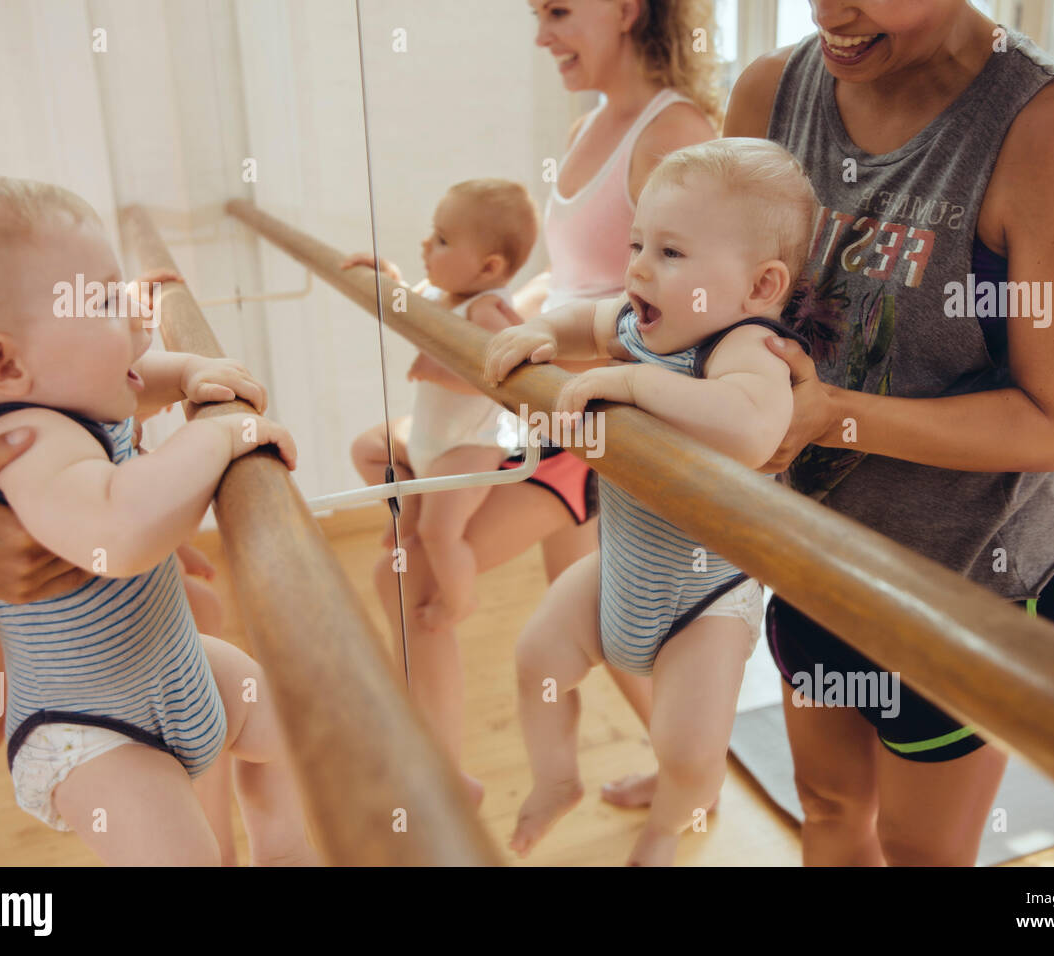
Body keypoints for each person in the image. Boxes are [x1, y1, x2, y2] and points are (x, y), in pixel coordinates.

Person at [720, 0, 1054, 864]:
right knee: (827, 804)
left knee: (921, 850)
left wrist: (835, 414)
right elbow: (710, 301)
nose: (830, 11)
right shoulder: (769, 94)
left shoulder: (1049, 133)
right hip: (811, 550)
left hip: (972, 574)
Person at [362, 0, 722, 807]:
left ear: (627, 9)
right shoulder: (588, 127)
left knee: (417, 585)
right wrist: (473, 313)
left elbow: (692, 319)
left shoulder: (675, 136)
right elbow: (569, 282)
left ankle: (440, 787)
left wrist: (517, 348)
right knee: (613, 628)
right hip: (543, 401)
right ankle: (688, 782)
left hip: (590, 421)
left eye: (558, 10)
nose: (540, 35)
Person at [0, 174, 316, 865]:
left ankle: (283, 844)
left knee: (295, 729)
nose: (133, 310)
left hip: (172, 668)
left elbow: (137, 378)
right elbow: (116, 535)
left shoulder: (64, 398)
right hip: (92, 734)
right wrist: (214, 438)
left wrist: (189, 375)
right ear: (3, 361)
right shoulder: (19, 445)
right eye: (100, 299)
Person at [487, 138, 815, 864]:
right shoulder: (639, 326)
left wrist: (633, 384)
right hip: (622, 566)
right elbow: (580, 323)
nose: (638, 267)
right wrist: (540, 331)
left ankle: (671, 825)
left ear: (760, 287)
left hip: (707, 595)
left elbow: (754, 428)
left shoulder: (743, 347)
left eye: (670, 253)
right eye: (639, 243)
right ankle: (557, 777)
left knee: (689, 748)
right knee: (538, 658)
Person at [348, 179, 536, 631]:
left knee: (440, 533)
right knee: (367, 450)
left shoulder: (487, 311)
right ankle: (408, 515)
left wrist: (444, 372)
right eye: (434, 232)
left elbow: (506, 380)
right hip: (429, 435)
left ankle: (459, 601)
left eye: (443, 240)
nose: (426, 243)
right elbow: (404, 305)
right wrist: (384, 275)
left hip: (471, 446)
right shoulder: (440, 292)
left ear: (489, 267)